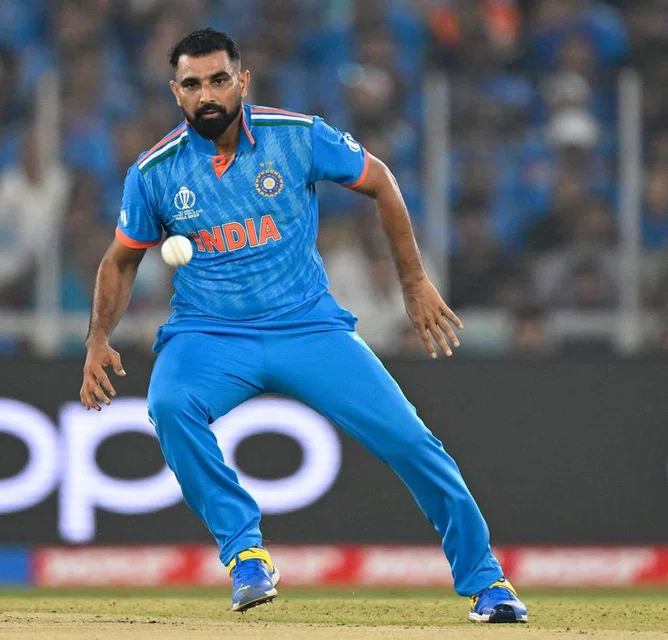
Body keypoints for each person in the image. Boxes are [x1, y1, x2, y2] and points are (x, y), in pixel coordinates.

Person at [78, 29, 528, 623]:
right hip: (209, 334)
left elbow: (381, 182)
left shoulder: (297, 136)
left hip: (308, 328)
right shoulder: (154, 171)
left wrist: (414, 282)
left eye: (218, 80)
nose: (207, 95)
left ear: (242, 81)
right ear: (175, 92)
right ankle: (246, 556)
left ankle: (487, 581)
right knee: (169, 404)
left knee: (412, 443)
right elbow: (121, 259)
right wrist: (98, 339)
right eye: (192, 84)